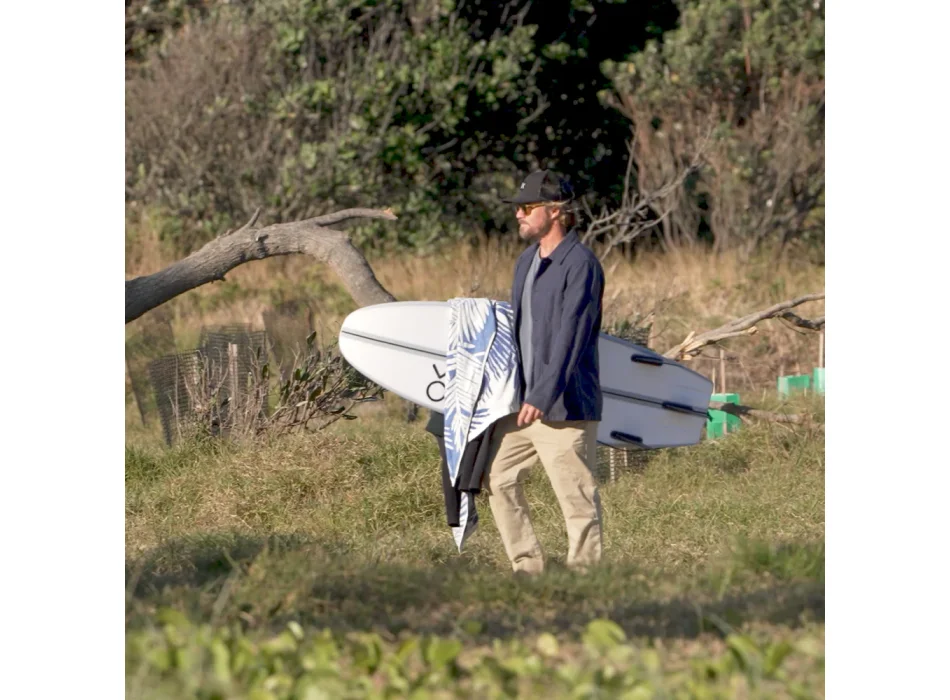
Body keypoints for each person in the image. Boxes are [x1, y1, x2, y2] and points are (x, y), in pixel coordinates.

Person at [486, 169, 606, 575]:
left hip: (564, 405)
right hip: (524, 405)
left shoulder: (582, 265)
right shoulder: (525, 262)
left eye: (527, 207)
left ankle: (584, 579)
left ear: (556, 212)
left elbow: (571, 337)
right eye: (518, 208)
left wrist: (542, 394)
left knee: (577, 500)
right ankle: (528, 569)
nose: (518, 214)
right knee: (498, 479)